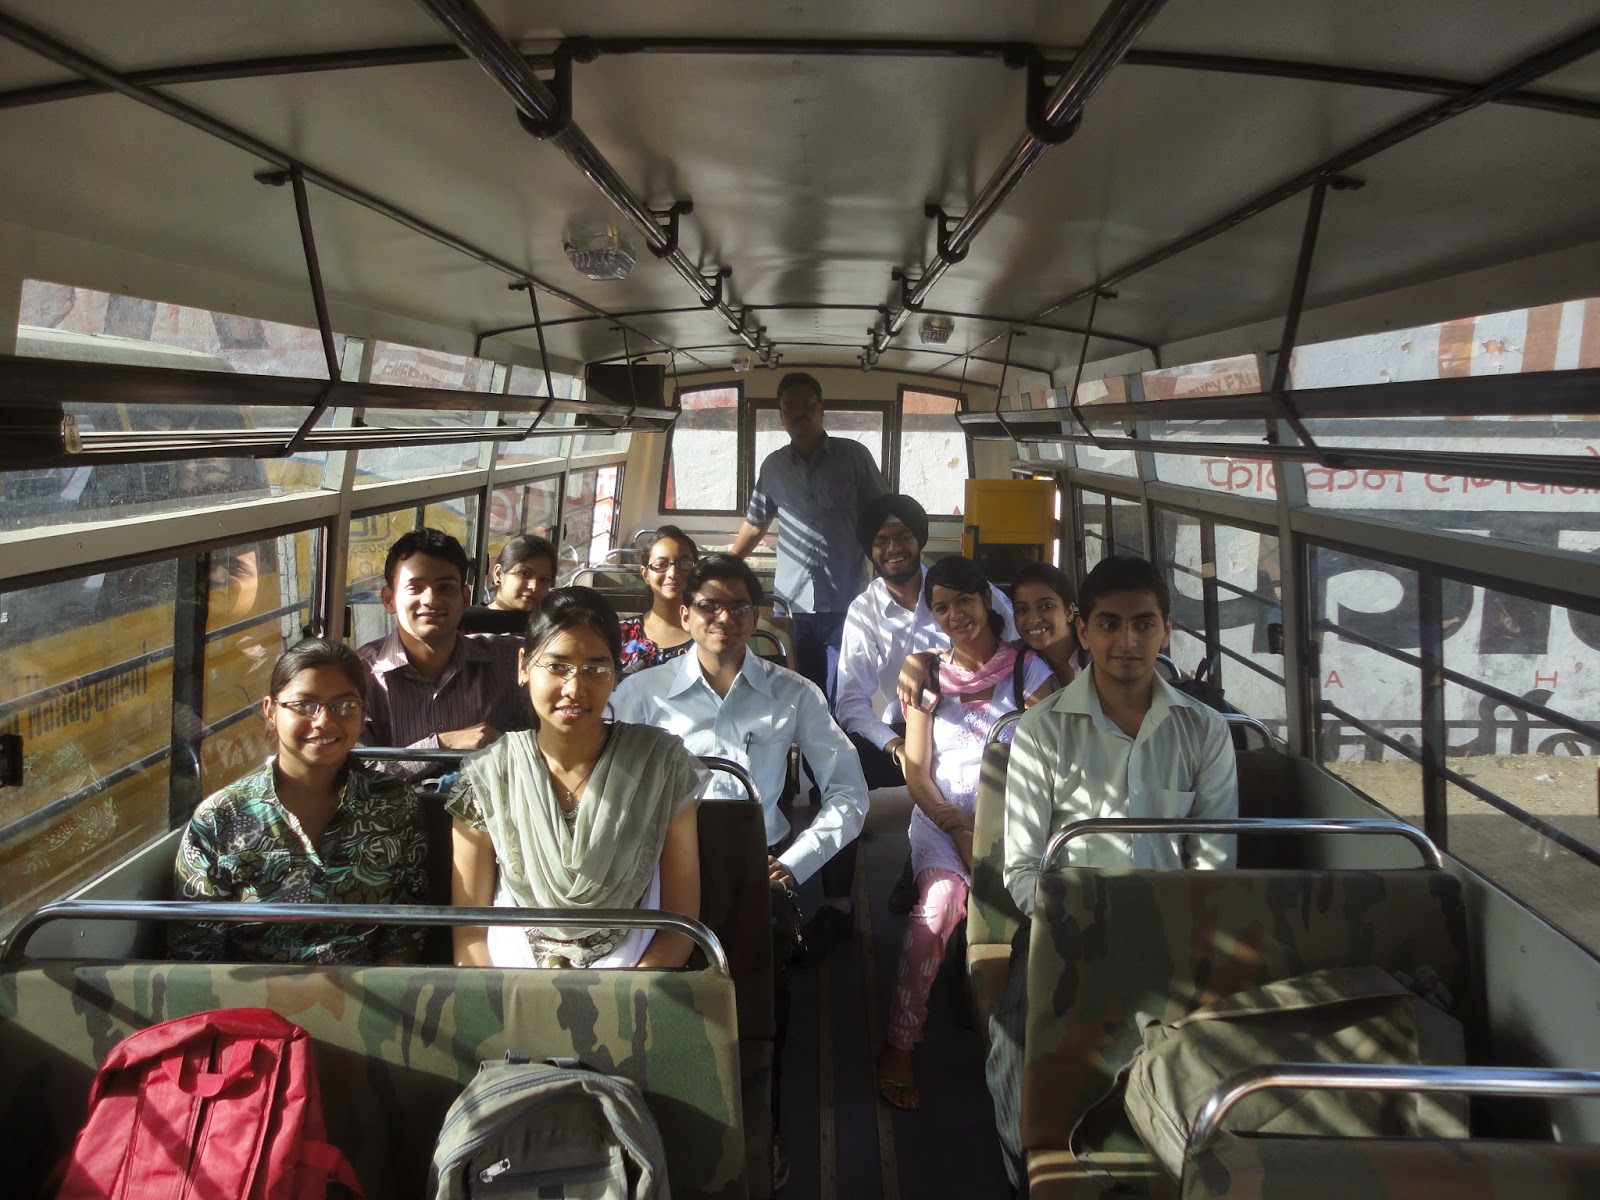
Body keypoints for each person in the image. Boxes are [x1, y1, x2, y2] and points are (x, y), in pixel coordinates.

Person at [611, 553, 868, 1185]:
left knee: (760, 1010)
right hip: (659, 871)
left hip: (758, 869)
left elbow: (849, 794)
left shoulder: (793, 693)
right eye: (708, 605)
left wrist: (796, 863)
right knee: (659, 1002)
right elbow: (606, 784)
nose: (722, 618)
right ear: (685, 614)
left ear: (756, 618)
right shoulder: (641, 695)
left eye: (738, 607)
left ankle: (764, 1125)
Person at [988, 555, 1239, 1185]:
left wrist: (1173, 934)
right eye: (1109, 624)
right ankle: (1027, 1179)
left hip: (1175, 933)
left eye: (1143, 624)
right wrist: (1078, 925)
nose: (1127, 640)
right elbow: (1023, 868)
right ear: (1083, 628)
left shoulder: (1203, 731)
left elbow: (1213, 863)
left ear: (1167, 630)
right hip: (1063, 932)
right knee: (1014, 1056)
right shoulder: (1042, 731)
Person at [447, 587, 705, 969]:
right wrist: (500, 999)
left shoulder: (661, 766)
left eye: (595, 669)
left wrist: (625, 995)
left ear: (616, 675)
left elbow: (679, 925)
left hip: (632, 983)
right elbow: (469, 934)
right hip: (508, 983)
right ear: (523, 667)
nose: (574, 688)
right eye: (557, 667)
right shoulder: (488, 775)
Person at [877, 557, 1053, 1112]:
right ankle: (900, 1042)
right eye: (942, 607)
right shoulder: (926, 676)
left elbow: (1053, 755)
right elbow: (916, 769)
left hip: (1017, 822)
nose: (956, 615)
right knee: (938, 908)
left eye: (965, 601)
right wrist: (956, 825)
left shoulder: (1028, 671)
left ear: (986, 600)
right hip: (941, 818)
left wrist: (993, 831)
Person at [170, 638, 429, 964]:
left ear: (364, 713)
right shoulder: (221, 818)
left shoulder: (395, 806)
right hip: (250, 992)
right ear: (270, 712)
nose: (324, 721)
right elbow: (195, 951)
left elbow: (404, 933)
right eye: (305, 705)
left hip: (363, 991)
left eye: (345, 705)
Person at [836, 494, 1016, 789]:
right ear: (870, 549)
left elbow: (1018, 647)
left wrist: (928, 658)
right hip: (911, 728)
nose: (893, 548)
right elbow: (851, 701)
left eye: (903, 537)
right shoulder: (864, 611)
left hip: (981, 718)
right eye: (881, 541)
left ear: (918, 540)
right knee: (835, 760)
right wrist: (898, 748)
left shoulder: (963, 587)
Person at [730, 372, 887, 705]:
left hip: (846, 602)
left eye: (807, 406)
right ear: (781, 416)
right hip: (792, 606)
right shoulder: (773, 467)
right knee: (797, 694)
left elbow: (881, 518)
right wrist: (724, 566)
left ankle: (842, 740)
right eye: (790, 407)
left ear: (821, 409)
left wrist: (889, 580)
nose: (799, 414)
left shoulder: (854, 457)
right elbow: (756, 524)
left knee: (843, 693)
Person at [358, 528, 528, 783]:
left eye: (445, 588)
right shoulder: (360, 674)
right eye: (415, 588)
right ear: (389, 600)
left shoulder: (510, 659)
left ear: (465, 598)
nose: (431, 599)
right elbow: (357, 776)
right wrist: (442, 745)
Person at [618, 525, 698, 675]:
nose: (673, 573)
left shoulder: (707, 634)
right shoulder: (620, 634)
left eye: (684, 564)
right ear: (645, 574)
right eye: (661, 565)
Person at [459, 534, 557, 635]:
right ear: (498, 574)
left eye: (544, 580)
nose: (534, 586)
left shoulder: (548, 631)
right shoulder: (463, 627)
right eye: (525, 574)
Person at [1011, 560, 1088, 689]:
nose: (1034, 619)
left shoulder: (1096, 656)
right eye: (1022, 610)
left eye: (1046, 606)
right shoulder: (1012, 660)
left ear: (1069, 611)